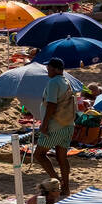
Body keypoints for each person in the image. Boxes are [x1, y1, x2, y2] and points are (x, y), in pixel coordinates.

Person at [33, 57, 77, 196]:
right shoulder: (66, 81)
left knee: (39, 154)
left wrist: (44, 125)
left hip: (55, 125)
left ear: (56, 69)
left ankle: (57, 182)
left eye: (50, 69)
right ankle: (66, 188)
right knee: (62, 158)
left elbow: (52, 104)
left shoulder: (53, 82)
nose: (48, 71)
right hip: (68, 124)